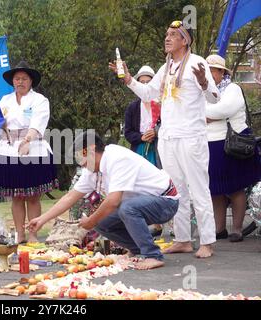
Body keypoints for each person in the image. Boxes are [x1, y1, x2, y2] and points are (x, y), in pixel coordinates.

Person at [109, 20, 220, 258]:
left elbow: (214, 98)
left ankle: (208, 241)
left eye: (173, 35)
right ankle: (183, 239)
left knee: (199, 188)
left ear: (185, 40)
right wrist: (129, 79)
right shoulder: (166, 67)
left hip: (191, 137)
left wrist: (203, 82)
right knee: (176, 190)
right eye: (166, 34)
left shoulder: (197, 62)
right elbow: (150, 94)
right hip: (168, 138)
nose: (167, 38)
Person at [29, 132, 179, 270]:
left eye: (82, 157)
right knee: (102, 222)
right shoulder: (91, 170)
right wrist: (42, 219)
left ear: (92, 150)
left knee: (125, 209)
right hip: (140, 204)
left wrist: (91, 220)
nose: (81, 163)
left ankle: (153, 255)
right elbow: (70, 197)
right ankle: (137, 249)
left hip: (166, 201)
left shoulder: (117, 158)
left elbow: (113, 201)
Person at [0, 61, 58, 244]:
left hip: (34, 148)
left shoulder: (40, 100)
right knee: (17, 196)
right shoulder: (5, 100)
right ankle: (20, 234)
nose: (20, 82)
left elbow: (38, 121)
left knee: (33, 197)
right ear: (13, 81)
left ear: (31, 81)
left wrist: (28, 140)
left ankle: (33, 234)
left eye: (24, 79)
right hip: (9, 149)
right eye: (17, 78)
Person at [205, 54, 261, 242]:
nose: (209, 74)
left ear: (222, 72)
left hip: (232, 144)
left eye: (212, 70)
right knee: (215, 189)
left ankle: (237, 228)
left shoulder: (232, 88)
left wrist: (204, 113)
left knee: (235, 187)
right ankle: (219, 228)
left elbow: (225, 109)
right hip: (210, 144)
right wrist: (207, 114)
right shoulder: (202, 91)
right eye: (207, 70)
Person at [124, 66, 161, 168]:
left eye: (148, 82)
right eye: (142, 82)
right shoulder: (132, 108)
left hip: (159, 149)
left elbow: (169, 125)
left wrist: (156, 132)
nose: (145, 85)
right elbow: (128, 132)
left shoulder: (161, 105)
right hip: (139, 149)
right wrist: (141, 137)